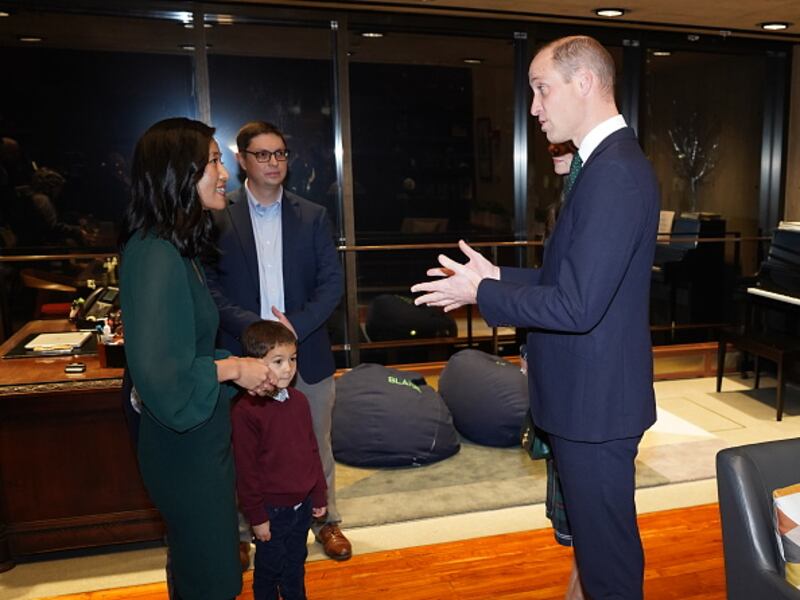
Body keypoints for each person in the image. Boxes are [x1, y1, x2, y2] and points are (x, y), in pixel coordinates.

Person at [412, 35, 660, 599]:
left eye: (541, 89)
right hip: (588, 401)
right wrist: (496, 277)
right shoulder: (603, 166)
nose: (534, 108)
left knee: (609, 566)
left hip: (595, 408)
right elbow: (568, 281)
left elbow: (576, 305)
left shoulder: (614, 172)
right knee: (599, 558)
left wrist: (484, 294)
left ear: (585, 83)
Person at [119, 117, 274, 600]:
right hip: (184, 453)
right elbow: (164, 376)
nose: (225, 173)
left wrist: (239, 370)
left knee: (204, 571)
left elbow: (187, 351)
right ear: (179, 172)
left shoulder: (174, 249)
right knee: (211, 579)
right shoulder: (155, 255)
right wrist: (234, 368)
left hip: (199, 444)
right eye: (213, 161)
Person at [204, 120, 351, 562]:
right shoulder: (216, 214)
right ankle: (240, 532)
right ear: (242, 160)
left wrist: (294, 328)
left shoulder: (313, 215)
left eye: (281, 154)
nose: (274, 162)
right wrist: (256, 332)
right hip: (241, 351)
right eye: (263, 154)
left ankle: (326, 522)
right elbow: (209, 287)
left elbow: (332, 283)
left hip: (305, 349)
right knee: (241, 447)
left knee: (314, 439)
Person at [231, 320, 327, 600]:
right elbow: (245, 471)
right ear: (255, 364)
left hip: (302, 505)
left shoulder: (300, 401)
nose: (288, 368)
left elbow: (312, 449)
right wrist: (257, 517)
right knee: (269, 569)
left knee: (296, 563)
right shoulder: (246, 411)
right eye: (278, 361)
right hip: (271, 511)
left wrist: (318, 494)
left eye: (292, 359)